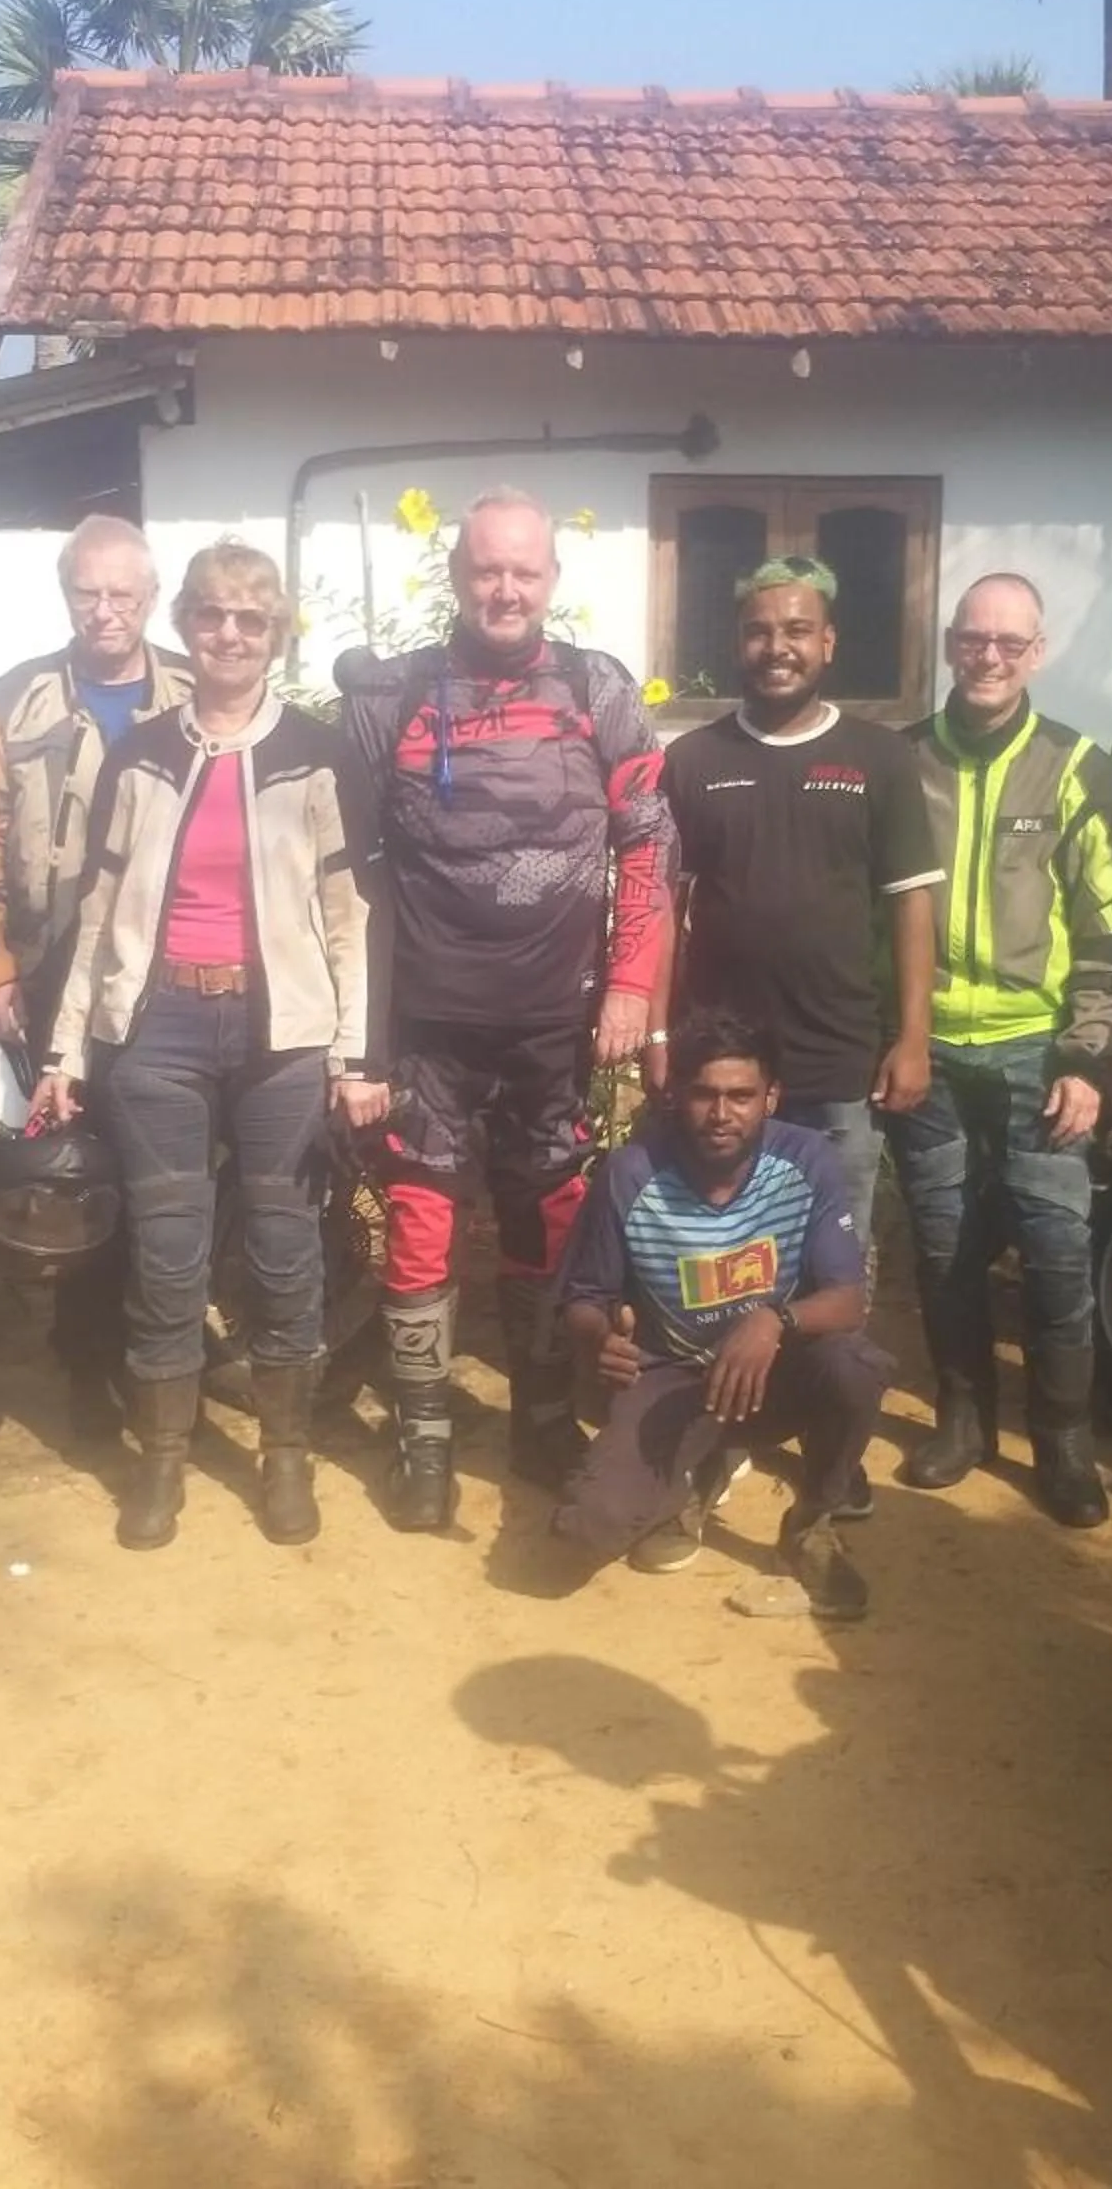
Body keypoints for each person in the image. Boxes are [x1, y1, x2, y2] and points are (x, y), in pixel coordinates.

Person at [339, 488, 677, 1532]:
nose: (506, 588)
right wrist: (359, 1041)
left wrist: (630, 983)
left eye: (525, 571)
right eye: (487, 569)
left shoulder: (597, 687)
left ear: (551, 582)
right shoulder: (390, 698)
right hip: (428, 1026)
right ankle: (424, 1440)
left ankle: (540, 1423)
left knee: (550, 1227)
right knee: (421, 1226)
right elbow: (346, 869)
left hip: (555, 1025)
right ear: (455, 578)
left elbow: (651, 840)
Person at [32, 542, 382, 1550]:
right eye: (214, 616)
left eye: (252, 620)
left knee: (283, 1249)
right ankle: (163, 1467)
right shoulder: (142, 754)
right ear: (184, 624)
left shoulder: (317, 752)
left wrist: (355, 1056)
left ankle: (284, 1459)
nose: (230, 635)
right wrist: (66, 1053)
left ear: (275, 637)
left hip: (282, 1033)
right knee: (169, 1250)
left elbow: (349, 912)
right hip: (161, 1031)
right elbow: (98, 912)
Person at [0, 515, 197, 1434]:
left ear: (150, 599)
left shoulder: (197, 692)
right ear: (66, 596)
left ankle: (159, 1349)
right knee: (77, 1164)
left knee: (166, 1167)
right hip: (55, 969)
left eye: (122, 593)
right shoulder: (12, 699)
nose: (105, 610)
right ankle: (86, 1362)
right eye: (88, 592)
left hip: (172, 971)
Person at [883, 573, 1112, 1523]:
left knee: (1059, 1249)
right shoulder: (899, 761)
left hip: (1039, 1052)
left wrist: (1089, 1057)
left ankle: (1064, 1439)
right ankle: (962, 1419)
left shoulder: (1075, 765)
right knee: (944, 1248)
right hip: (930, 1050)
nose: (989, 658)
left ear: (1039, 653)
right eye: (973, 640)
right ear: (950, 644)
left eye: (1009, 644)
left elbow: (1108, 923)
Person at [552, 1010, 890, 1621]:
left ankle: (812, 1523)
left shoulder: (807, 1159)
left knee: (856, 1366)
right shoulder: (631, 1172)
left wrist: (772, 1322)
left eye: (741, 1096)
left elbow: (847, 1299)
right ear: (678, 1095)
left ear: (771, 1098)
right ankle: (698, 1470)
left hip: (769, 1372)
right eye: (705, 1094)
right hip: (671, 1378)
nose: (721, 1113)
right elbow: (584, 1296)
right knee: (579, 1537)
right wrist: (599, 1336)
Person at [659, 554, 940, 1243]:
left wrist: (913, 1038)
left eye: (797, 630)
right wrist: (660, 1034)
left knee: (834, 1247)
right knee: (722, 1239)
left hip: (840, 1059)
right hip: (724, 1063)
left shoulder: (882, 758)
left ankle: (825, 1354)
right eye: (759, 632)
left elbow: (911, 904)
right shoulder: (693, 760)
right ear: (737, 644)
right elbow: (663, 906)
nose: (777, 648)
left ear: (828, 642)